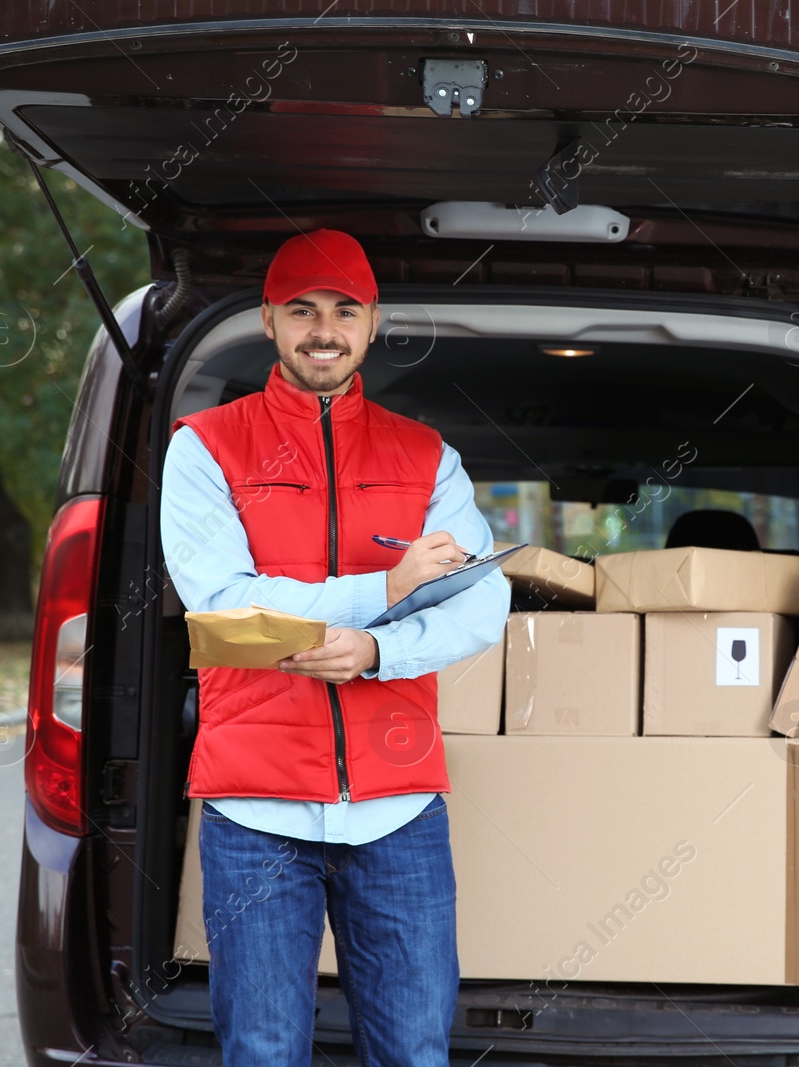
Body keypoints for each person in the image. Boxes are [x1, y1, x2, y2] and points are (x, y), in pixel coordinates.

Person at [159, 228, 510, 1067]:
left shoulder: (427, 457)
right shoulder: (204, 447)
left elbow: (484, 598)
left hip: (397, 803)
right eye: (303, 309)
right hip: (255, 805)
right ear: (271, 322)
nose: (325, 329)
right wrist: (381, 591)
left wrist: (379, 653)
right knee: (266, 1051)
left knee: (416, 1052)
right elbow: (222, 599)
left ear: (373, 321)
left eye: (344, 309)